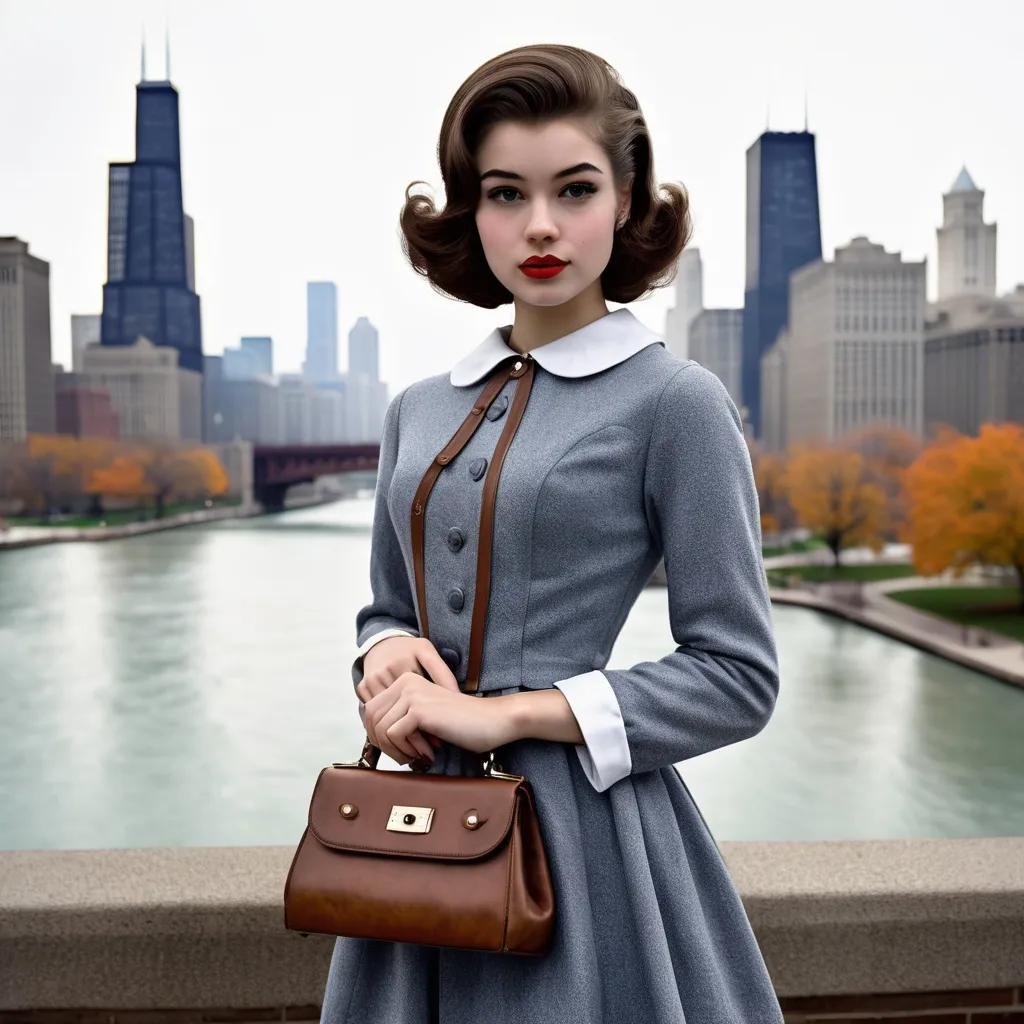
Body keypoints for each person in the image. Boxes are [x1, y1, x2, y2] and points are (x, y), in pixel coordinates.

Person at [320, 43, 783, 1024]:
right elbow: (385, 606)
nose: (540, 226)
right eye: (503, 194)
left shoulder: (676, 402)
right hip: (412, 839)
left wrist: (510, 715)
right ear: (467, 212)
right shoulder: (416, 406)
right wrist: (383, 658)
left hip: (583, 844)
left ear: (625, 202)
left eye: (573, 190)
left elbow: (738, 676)